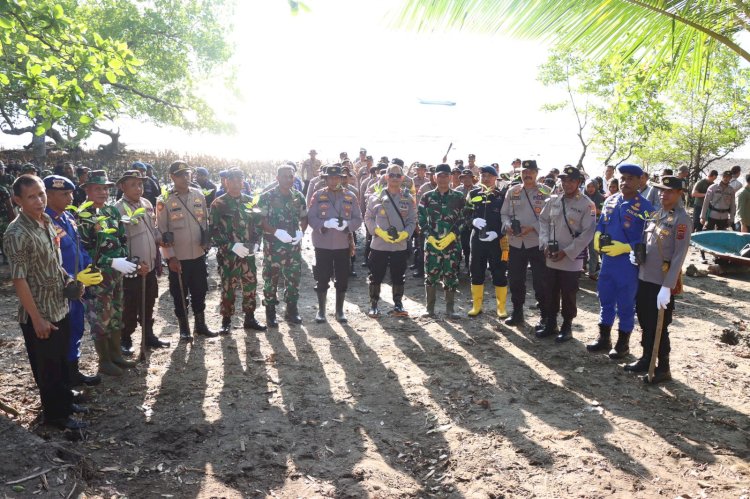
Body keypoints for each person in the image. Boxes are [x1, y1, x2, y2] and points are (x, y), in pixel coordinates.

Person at [4, 175, 89, 430]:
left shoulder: (46, 221)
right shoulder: (16, 233)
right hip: (40, 312)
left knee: (61, 361)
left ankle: (65, 402)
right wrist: (37, 319)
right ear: (17, 200)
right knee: (48, 368)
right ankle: (56, 416)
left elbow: (54, 261)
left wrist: (70, 282)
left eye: (41, 194)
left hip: (59, 304)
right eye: (31, 196)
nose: (39, 200)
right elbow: (19, 280)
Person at [627, 176, 691, 383]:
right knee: (645, 320)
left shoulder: (682, 220)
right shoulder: (655, 214)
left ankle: (663, 367)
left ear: (679, 193)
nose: (664, 194)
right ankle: (647, 358)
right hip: (645, 276)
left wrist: (667, 286)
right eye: (662, 190)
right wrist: (637, 257)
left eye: (669, 191)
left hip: (662, 281)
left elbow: (679, 256)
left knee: (659, 326)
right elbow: (649, 243)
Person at [76, 170, 140, 376]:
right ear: (87, 190)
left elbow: (121, 239)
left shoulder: (112, 212)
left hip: (116, 275)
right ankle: (104, 361)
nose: (103, 192)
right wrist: (109, 261)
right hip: (97, 277)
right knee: (99, 318)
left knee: (116, 313)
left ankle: (116, 355)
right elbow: (83, 251)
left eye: (105, 188)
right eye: (98, 188)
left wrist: (124, 259)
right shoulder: (82, 216)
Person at [587, 164, 653, 359]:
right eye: (622, 178)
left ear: (640, 181)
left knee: (625, 303)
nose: (625, 182)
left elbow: (650, 240)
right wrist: (598, 235)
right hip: (607, 262)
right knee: (605, 298)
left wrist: (627, 247)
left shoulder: (646, 208)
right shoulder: (611, 201)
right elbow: (602, 224)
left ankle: (623, 344)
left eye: (630, 178)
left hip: (628, 264)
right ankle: (604, 338)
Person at [43, 175, 102, 387]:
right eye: (64, 194)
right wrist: (74, 277)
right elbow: (48, 262)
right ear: (48, 196)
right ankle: (64, 381)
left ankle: (73, 373)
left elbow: (79, 248)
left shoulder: (67, 217)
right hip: (60, 289)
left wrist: (89, 269)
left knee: (76, 328)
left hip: (77, 286)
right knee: (64, 333)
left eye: (70, 193)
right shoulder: (44, 221)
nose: (70, 197)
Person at [156, 161, 217, 341]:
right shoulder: (164, 199)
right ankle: (184, 329)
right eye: (180, 174)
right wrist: (170, 258)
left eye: (187, 173)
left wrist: (207, 241)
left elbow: (204, 222)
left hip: (198, 254)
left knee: (200, 290)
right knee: (179, 293)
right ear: (172, 177)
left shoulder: (198, 195)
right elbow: (161, 231)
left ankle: (201, 325)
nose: (185, 177)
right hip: (178, 258)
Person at [537, 166, 596, 342]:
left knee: (568, 292)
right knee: (550, 290)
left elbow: (588, 232)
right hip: (552, 254)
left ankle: (567, 326)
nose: (567, 184)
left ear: (579, 182)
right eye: (564, 180)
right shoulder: (553, 200)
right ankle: (551, 323)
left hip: (571, 257)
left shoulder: (587, 204)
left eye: (571, 180)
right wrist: (545, 243)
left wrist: (567, 252)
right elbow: (543, 221)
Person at [114, 170, 170, 353]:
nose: (138, 188)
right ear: (123, 187)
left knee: (149, 302)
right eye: (133, 185)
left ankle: (148, 335)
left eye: (140, 184)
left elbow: (152, 229)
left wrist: (161, 238)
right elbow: (118, 243)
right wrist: (134, 265)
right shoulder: (118, 209)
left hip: (150, 266)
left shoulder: (146, 204)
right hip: (132, 269)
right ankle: (125, 338)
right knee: (130, 305)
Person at [210, 168, 266, 334]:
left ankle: (249, 318)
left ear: (243, 182)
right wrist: (231, 245)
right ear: (226, 182)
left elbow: (258, 225)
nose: (236, 183)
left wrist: (256, 243)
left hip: (247, 253)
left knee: (250, 285)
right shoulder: (218, 204)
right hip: (229, 255)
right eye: (232, 180)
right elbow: (213, 230)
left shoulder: (250, 202)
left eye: (239, 180)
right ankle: (226, 320)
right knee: (228, 287)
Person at [307, 165, 362, 323]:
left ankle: (339, 311)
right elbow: (311, 217)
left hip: (342, 244)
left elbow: (358, 219)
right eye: (330, 178)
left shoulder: (350, 196)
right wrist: (324, 224)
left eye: (337, 177)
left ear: (341, 178)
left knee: (342, 278)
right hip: (322, 243)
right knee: (322, 277)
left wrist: (347, 225)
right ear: (326, 179)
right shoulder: (318, 195)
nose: (333, 180)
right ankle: (322, 311)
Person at [500, 159, 549, 327]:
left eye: (530, 172)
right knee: (515, 280)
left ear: (536, 173)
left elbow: (551, 218)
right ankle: (517, 312)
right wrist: (507, 225)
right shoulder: (512, 191)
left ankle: (545, 315)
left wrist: (533, 227)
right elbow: (504, 214)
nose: (527, 175)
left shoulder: (546, 191)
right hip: (515, 243)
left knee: (541, 281)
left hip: (537, 243)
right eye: (524, 172)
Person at [364, 164, 416, 317]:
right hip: (379, 244)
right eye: (391, 175)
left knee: (398, 275)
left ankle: (398, 305)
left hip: (399, 245)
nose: (394, 178)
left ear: (402, 178)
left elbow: (412, 221)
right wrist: (377, 231)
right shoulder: (376, 197)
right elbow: (368, 217)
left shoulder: (408, 198)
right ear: (386, 177)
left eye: (397, 175)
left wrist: (405, 235)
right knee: (375, 275)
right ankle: (374, 305)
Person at [259, 164, 308, 326]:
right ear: (277, 178)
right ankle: (271, 312)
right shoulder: (267, 197)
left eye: (291, 176)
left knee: (293, 277)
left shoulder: (298, 196)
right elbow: (261, 220)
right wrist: (275, 232)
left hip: (293, 246)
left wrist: (301, 231)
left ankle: (291, 310)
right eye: (285, 176)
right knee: (271, 277)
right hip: (273, 246)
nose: (288, 179)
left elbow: (304, 217)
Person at [418, 163, 466, 318]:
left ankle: (450, 309)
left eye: (446, 175)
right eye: (440, 175)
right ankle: (429, 309)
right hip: (432, 245)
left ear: (451, 177)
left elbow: (465, 219)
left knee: (451, 276)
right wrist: (429, 237)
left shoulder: (458, 197)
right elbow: (421, 218)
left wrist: (453, 235)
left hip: (452, 245)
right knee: (430, 276)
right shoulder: (427, 197)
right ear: (434, 177)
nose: (443, 178)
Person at [466, 165, 509, 318]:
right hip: (477, 239)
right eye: (483, 176)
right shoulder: (473, 193)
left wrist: (497, 232)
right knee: (476, 270)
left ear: (495, 178)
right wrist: (473, 221)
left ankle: (501, 307)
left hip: (496, 240)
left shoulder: (502, 195)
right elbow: (466, 214)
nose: (486, 179)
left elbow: (507, 218)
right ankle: (477, 305)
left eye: (489, 176)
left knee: (499, 271)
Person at [584, 179, 605, 279]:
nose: (590, 189)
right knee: (581, 248)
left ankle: (592, 272)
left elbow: (603, 212)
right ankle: (581, 267)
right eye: (588, 186)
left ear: (596, 187)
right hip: (583, 226)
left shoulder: (601, 198)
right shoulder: (582, 197)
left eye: (592, 186)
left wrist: (596, 210)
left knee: (593, 249)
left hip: (595, 226)